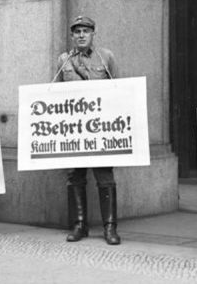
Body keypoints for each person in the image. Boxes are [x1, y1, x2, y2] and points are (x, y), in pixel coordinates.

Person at [54, 15, 121, 245]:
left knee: (105, 177)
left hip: (100, 129)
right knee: (75, 176)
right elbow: (54, 95)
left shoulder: (106, 57)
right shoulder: (64, 60)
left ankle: (110, 227)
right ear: (72, 36)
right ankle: (79, 225)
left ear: (93, 34)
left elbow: (118, 90)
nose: (81, 35)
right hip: (74, 131)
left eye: (86, 31)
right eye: (77, 31)